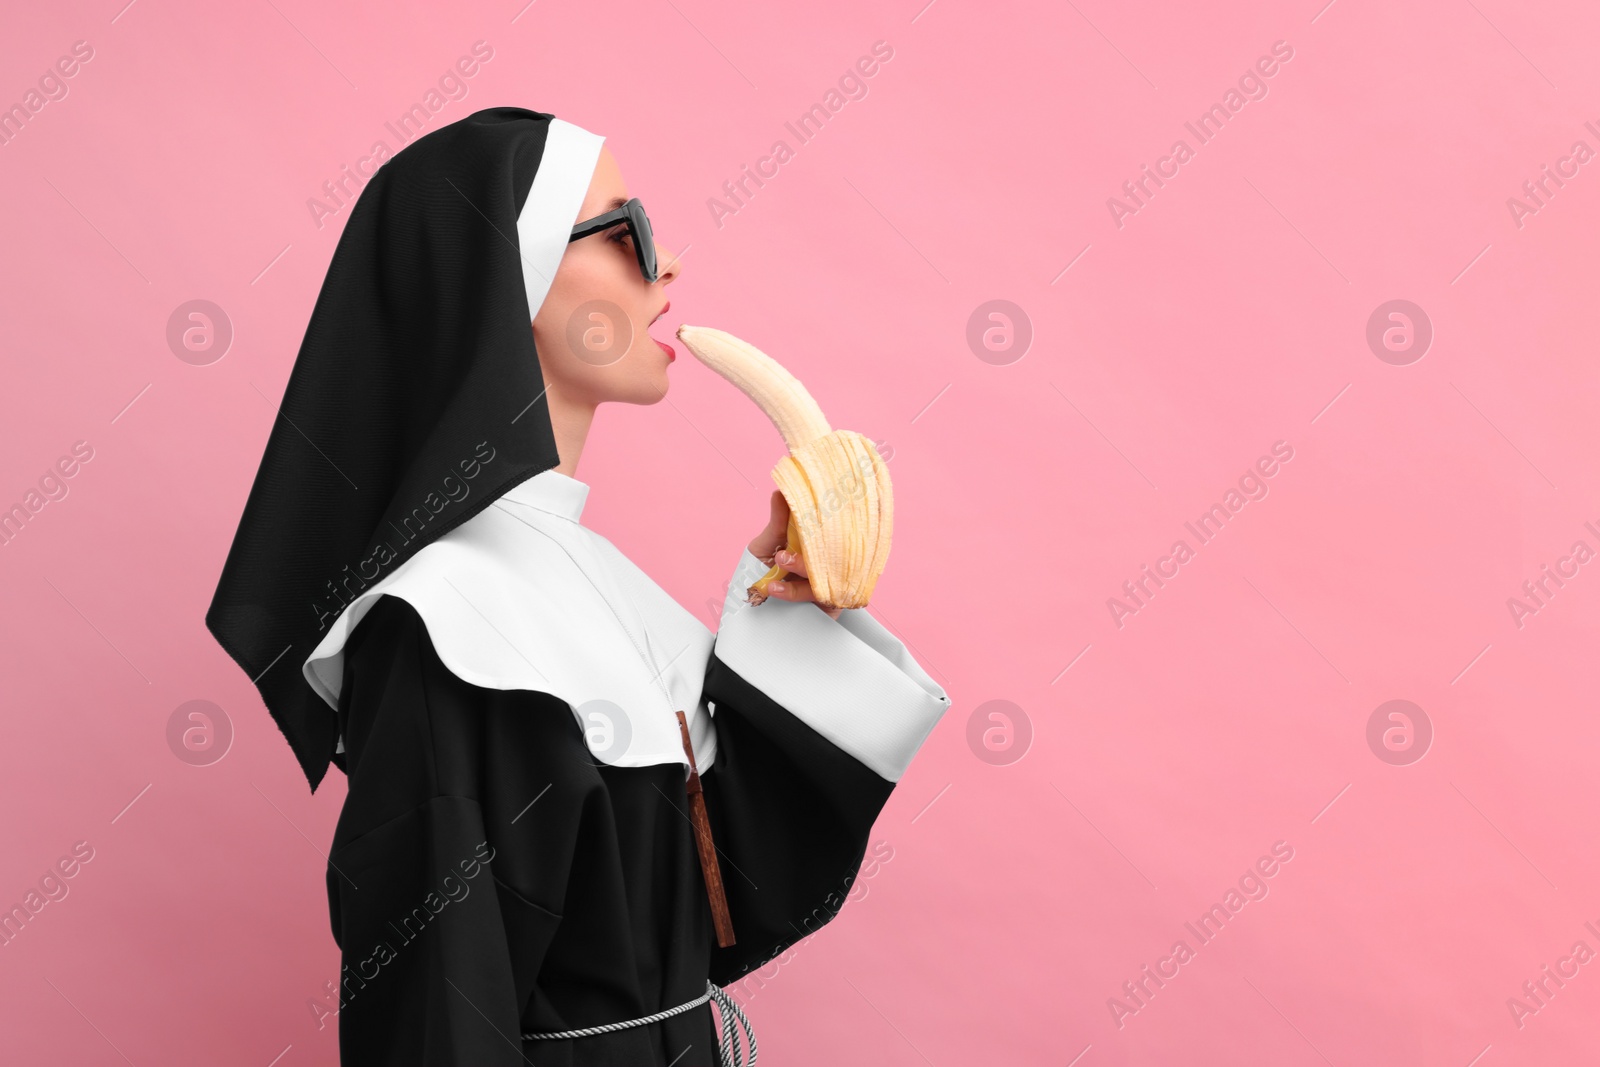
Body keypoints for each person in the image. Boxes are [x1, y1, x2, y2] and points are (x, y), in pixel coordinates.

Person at [206, 106, 951, 1066]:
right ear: (500, 282)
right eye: (626, 231)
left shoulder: (593, 577)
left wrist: (793, 612)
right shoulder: (441, 626)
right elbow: (434, 1021)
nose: (669, 264)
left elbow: (729, 912)